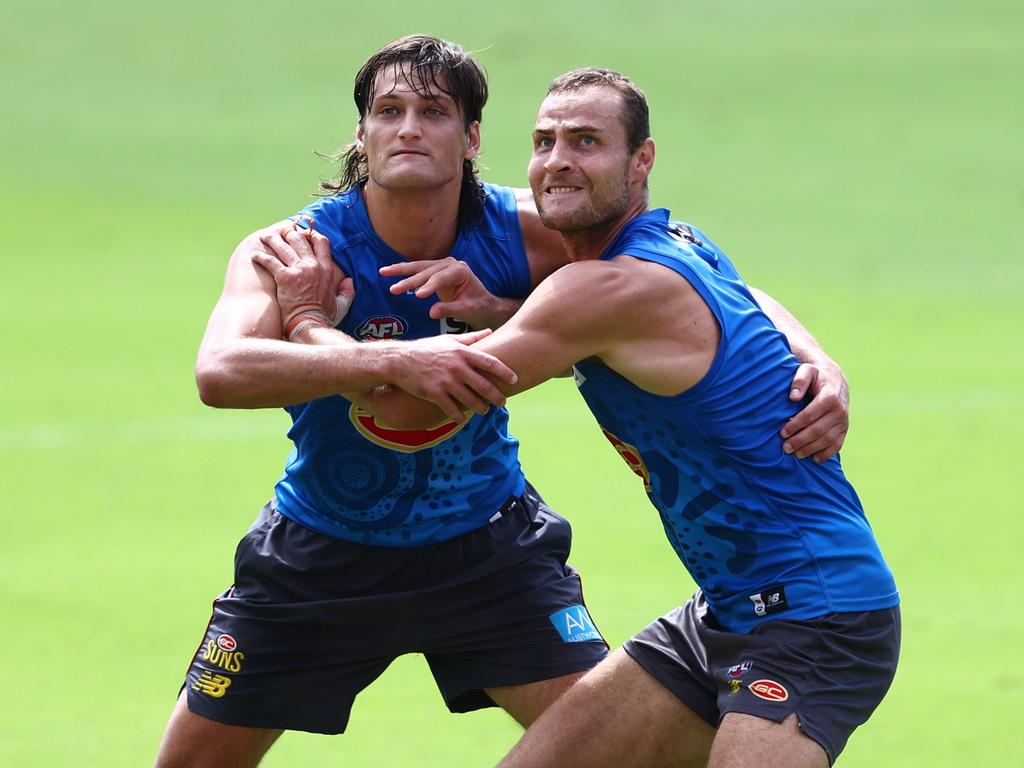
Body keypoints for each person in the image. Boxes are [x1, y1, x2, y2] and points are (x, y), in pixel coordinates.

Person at [155, 35, 852, 768]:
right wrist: (387, 353)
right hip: (317, 555)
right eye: (387, 111)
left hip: (488, 552)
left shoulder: (529, 230)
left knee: (622, 753)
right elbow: (220, 370)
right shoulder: (297, 253)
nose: (409, 128)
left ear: (473, 136)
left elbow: (699, 288)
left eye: (433, 111)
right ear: (361, 135)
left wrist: (817, 359)